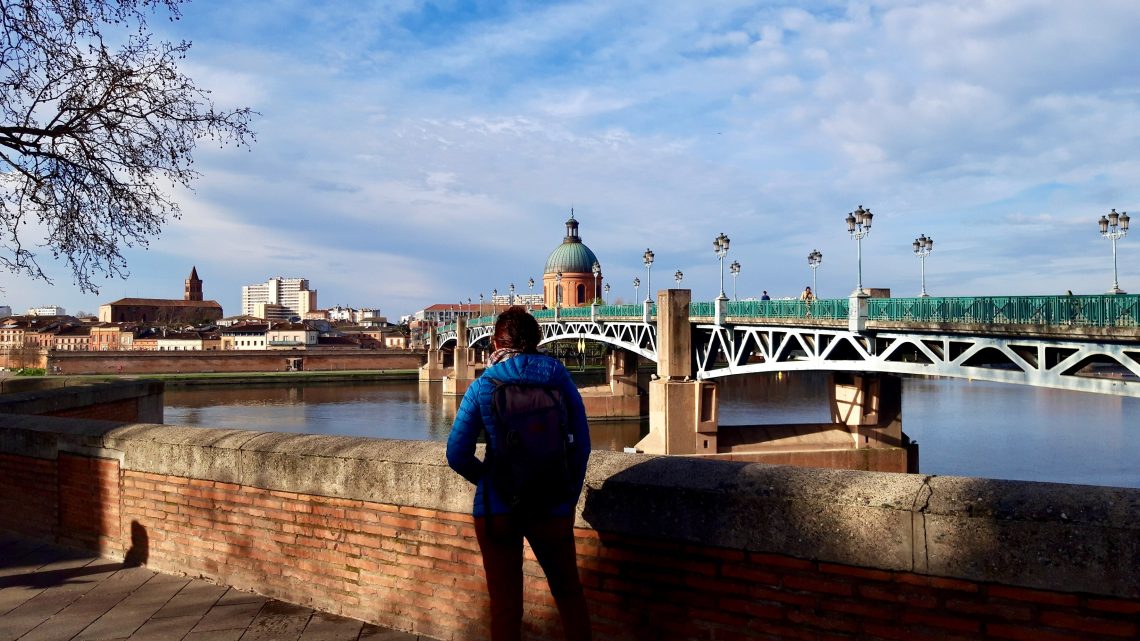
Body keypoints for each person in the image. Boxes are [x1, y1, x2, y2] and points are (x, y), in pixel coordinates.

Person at [447, 306, 592, 641]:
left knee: (506, 607)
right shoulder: (558, 376)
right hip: (552, 503)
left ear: (497, 341)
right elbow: (582, 446)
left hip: (497, 508)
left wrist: (490, 482)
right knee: (569, 595)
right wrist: (567, 493)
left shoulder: (483, 385)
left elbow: (456, 453)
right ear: (535, 340)